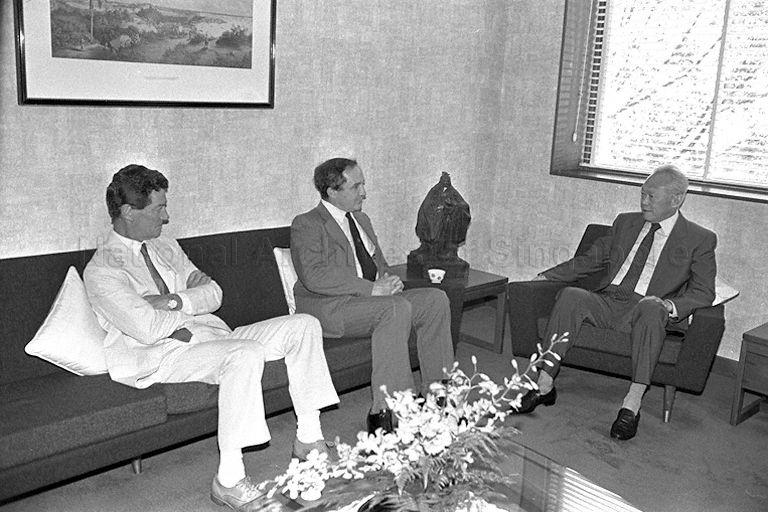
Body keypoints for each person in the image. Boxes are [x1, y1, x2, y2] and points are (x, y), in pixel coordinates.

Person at [84, 165, 339, 512]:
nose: (167, 216)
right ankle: (229, 479)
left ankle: (309, 439)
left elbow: (215, 293)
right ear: (129, 212)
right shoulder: (103, 270)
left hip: (212, 335)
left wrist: (173, 301)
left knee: (304, 324)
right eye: (159, 208)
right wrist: (191, 302)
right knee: (244, 354)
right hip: (163, 356)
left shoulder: (165, 246)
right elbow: (145, 328)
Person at [520, 165, 716, 441]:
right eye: (642, 194)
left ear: (676, 199)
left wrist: (669, 306)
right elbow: (590, 260)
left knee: (651, 306)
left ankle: (631, 404)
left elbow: (704, 291)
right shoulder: (626, 222)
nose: (644, 202)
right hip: (608, 301)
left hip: (646, 310)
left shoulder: (699, 238)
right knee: (572, 296)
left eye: (651, 196)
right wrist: (547, 275)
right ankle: (544, 383)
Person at [290, 157, 455, 434]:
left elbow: (377, 265)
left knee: (435, 300)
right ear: (332, 191)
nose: (364, 192)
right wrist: (372, 289)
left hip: (369, 302)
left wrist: (387, 280)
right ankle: (388, 410)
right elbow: (314, 275)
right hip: (331, 308)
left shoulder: (362, 220)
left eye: (363, 184)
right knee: (394, 309)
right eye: (356, 186)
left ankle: (440, 397)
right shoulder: (307, 223)